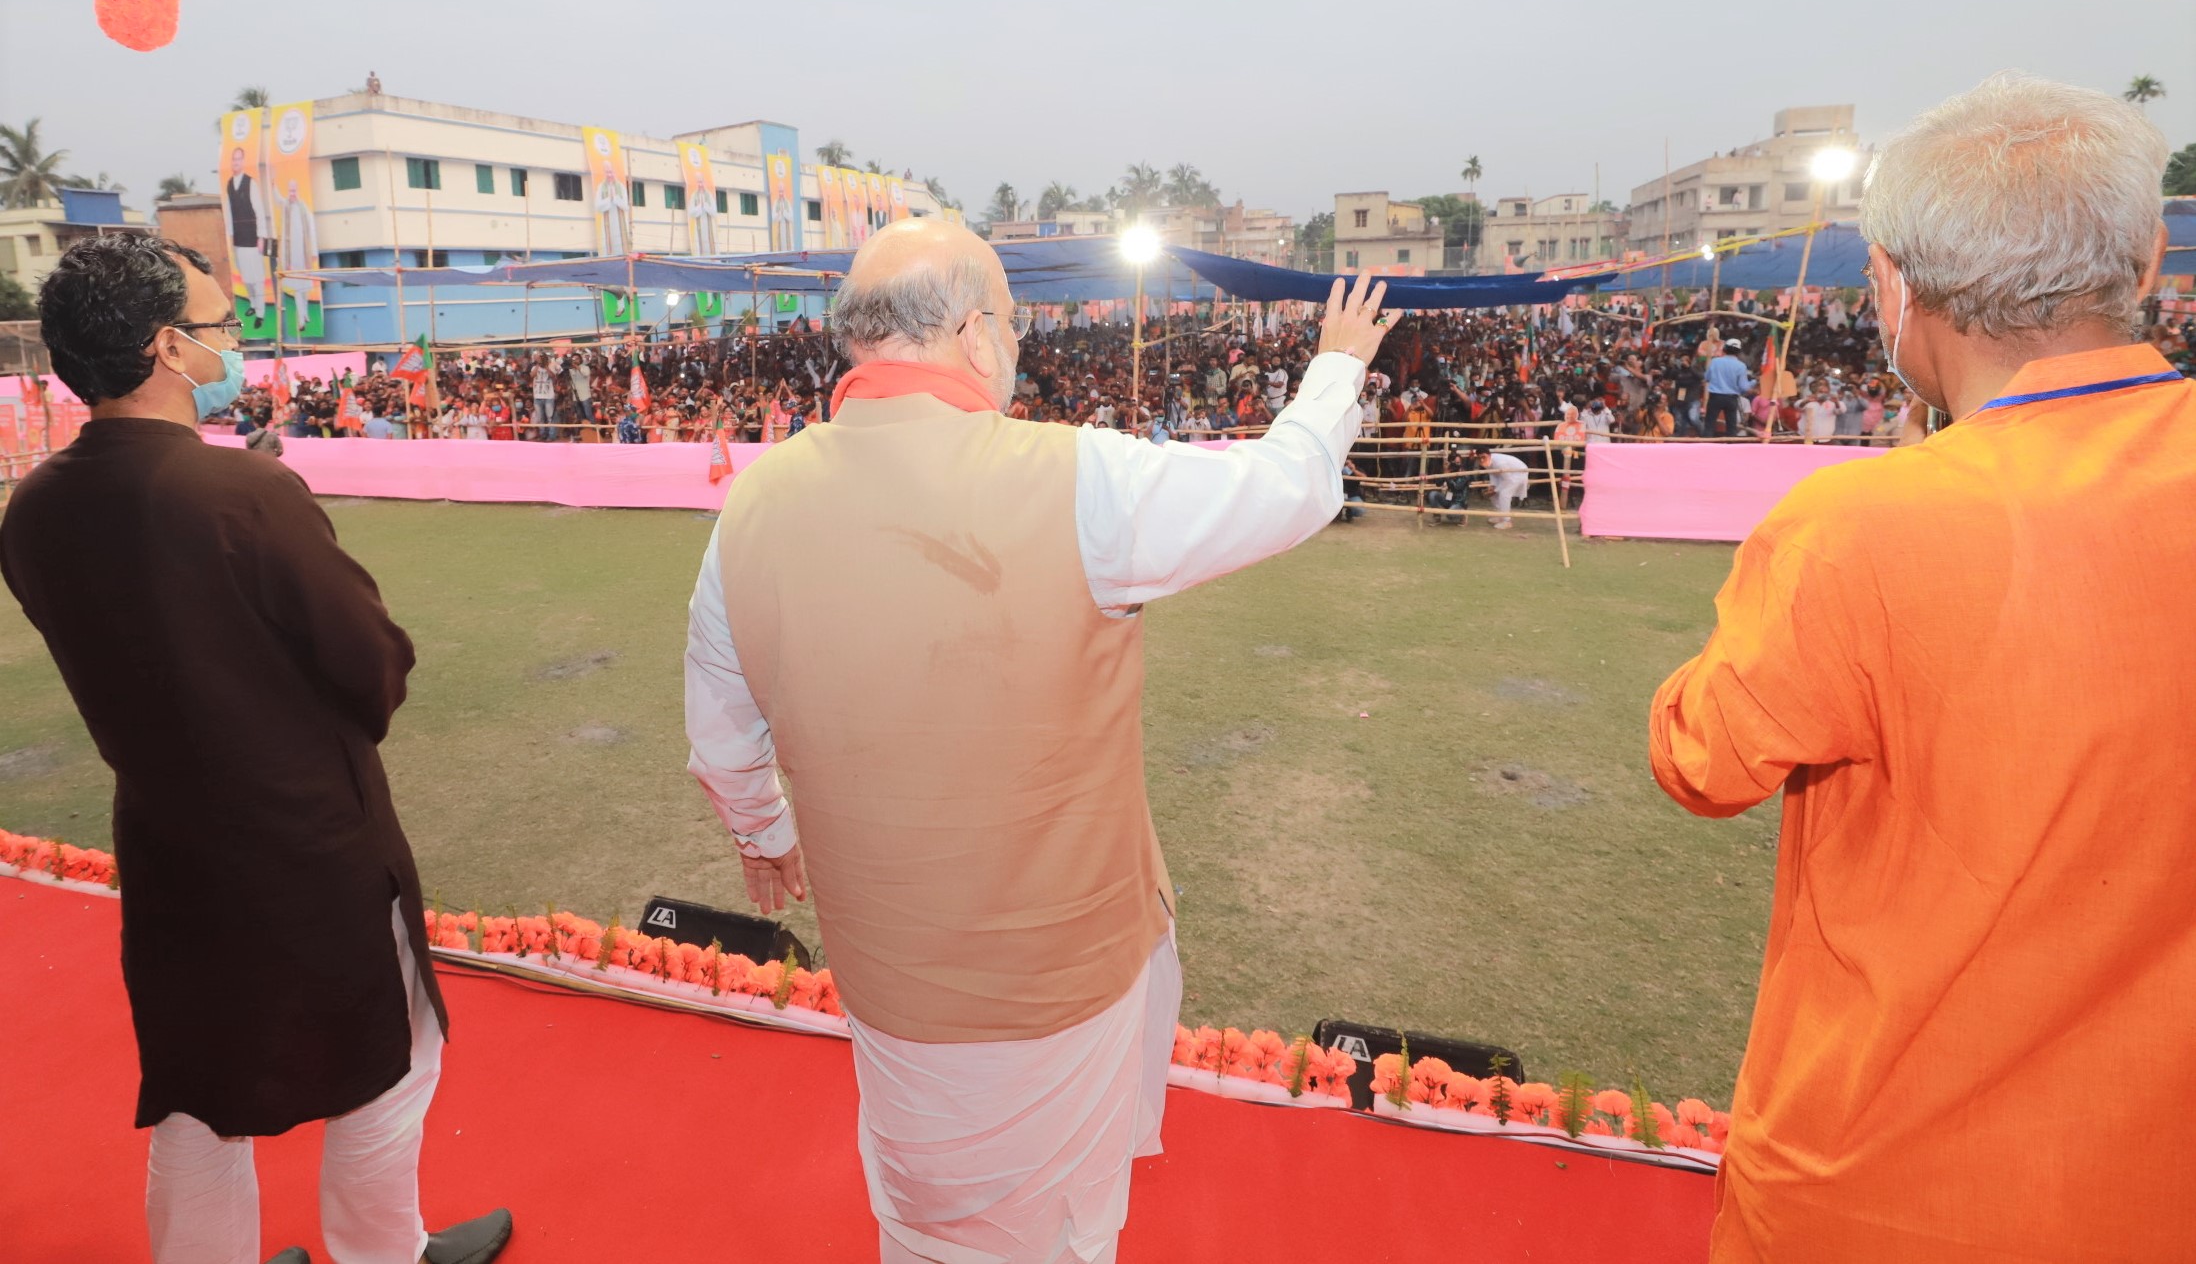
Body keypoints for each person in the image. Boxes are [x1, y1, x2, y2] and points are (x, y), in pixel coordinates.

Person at [685, 218, 1394, 1264]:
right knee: (1052, 1238)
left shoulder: (750, 507)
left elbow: (722, 738)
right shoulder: (1075, 479)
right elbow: (1281, 491)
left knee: (919, 1217)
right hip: (1053, 994)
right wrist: (1336, 368)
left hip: (889, 983)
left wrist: (768, 835)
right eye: (1013, 322)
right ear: (977, 333)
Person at [1648, 73, 2191, 1262]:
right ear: (2150, 261)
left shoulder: (1863, 528)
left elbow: (1699, 756)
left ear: (1890, 285)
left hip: (1890, 1194)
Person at [0, 232, 510, 1264]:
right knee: (386, 1063)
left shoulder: (33, 508)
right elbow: (374, 669)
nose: (235, 341)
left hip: (166, 839)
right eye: (221, 324)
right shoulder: (242, 495)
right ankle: (383, 1253)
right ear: (165, 348)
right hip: (309, 845)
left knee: (197, 1089)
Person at [223, 145, 270, 327]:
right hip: (238, 239)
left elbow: (259, 210)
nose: (235, 162)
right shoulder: (229, 184)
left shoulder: (251, 183)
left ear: (242, 161)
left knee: (257, 276)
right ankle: (252, 303)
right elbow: (228, 212)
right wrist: (230, 234)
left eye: (238, 159)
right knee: (246, 277)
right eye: (233, 159)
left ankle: (260, 312)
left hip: (252, 238)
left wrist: (261, 236)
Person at [276, 180, 316, 337]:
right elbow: (278, 199)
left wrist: (312, 251)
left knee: (304, 288)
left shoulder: (302, 207)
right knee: (299, 289)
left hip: (303, 254)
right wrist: (273, 186)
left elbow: (311, 228)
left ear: (297, 190)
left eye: (294, 190)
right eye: (290, 191)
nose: (292, 194)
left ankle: (305, 315)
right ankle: (301, 319)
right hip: (291, 255)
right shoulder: (286, 205)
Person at [1703, 338, 1754, 437]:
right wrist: (1753, 382)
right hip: (1731, 398)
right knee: (1731, 427)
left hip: (1715, 397)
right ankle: (1731, 448)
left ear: (1724, 349)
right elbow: (1744, 387)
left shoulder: (1715, 362)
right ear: (1738, 352)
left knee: (1709, 425)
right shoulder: (1741, 366)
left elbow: (1707, 377)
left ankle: (1706, 446)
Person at [1473, 446, 1530, 528]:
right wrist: (1492, 486)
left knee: (1504, 494)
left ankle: (1507, 521)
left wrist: (1496, 489)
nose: (1481, 460)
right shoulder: (1487, 461)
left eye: (1483, 457)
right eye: (1479, 458)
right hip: (1505, 476)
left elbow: (1508, 479)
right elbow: (1492, 473)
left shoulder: (1499, 462)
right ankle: (1501, 516)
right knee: (1493, 495)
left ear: (1489, 455)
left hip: (1518, 473)